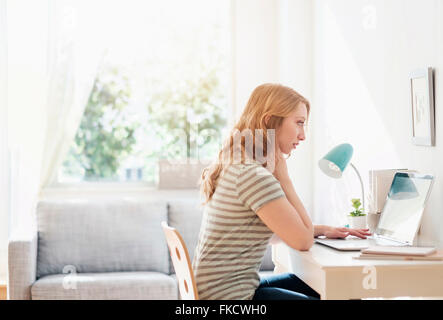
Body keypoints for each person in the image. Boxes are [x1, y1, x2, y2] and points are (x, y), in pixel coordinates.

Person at [192, 83, 371, 300]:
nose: (303, 135)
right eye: (299, 123)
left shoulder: (236, 164)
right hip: (233, 298)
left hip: (223, 291)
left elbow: (273, 234)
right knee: (341, 289)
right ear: (270, 121)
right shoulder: (252, 175)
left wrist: (321, 229)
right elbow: (302, 242)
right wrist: (284, 177)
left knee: (336, 285)